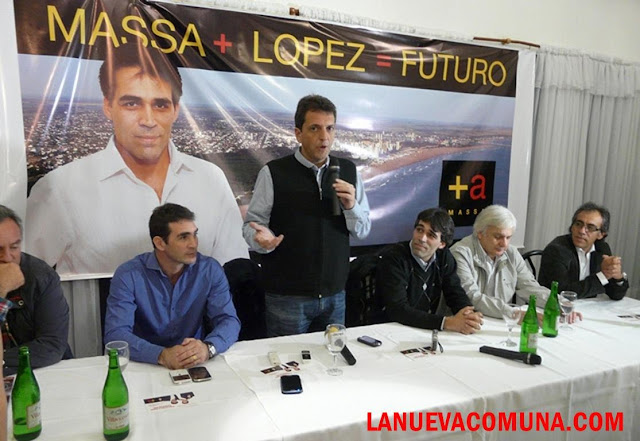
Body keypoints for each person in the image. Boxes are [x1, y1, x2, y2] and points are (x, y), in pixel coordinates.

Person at [26, 44, 247, 276]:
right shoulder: (61, 188)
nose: (148, 120)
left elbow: (235, 271)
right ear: (108, 106)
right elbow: (20, 278)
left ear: (175, 110)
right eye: (132, 103)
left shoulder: (211, 179)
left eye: (160, 105)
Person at [243, 94, 371, 337]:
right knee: (288, 359)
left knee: (333, 357)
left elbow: (363, 230)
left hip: (335, 295)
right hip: (287, 298)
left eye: (330, 128)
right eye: (315, 128)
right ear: (298, 133)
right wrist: (261, 241)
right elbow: (251, 225)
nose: (324, 137)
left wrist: (351, 206)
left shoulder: (348, 171)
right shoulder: (274, 172)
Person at [104, 203, 240, 369]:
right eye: (183, 237)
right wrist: (161, 355)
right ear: (160, 243)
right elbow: (115, 335)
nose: (194, 244)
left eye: (195, 235)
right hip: (145, 364)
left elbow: (229, 320)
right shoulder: (128, 274)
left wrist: (208, 348)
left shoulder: (209, 269)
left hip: (194, 361)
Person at [376, 208, 484, 334]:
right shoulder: (394, 257)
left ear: (442, 244)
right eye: (419, 230)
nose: (422, 238)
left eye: (431, 235)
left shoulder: (444, 257)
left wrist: (467, 314)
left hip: (422, 329)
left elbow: (454, 291)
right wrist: (446, 322)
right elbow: (397, 310)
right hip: (387, 330)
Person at [0, 205, 71, 376]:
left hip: (44, 372)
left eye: (14, 247)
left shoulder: (41, 276)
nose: (8, 258)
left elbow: (52, 345)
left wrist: (2, 360)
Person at [450, 205, 552, 319]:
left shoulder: (511, 253)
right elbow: (472, 297)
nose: (504, 244)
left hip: (499, 320)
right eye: (498, 237)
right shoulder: (460, 253)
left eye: (508, 238)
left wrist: (558, 303)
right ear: (480, 233)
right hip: (466, 321)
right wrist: (512, 313)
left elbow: (529, 287)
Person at [538, 202, 628, 299]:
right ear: (572, 227)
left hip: (586, 306)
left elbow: (615, 295)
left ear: (601, 234)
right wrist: (603, 276)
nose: (581, 231)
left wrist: (617, 277)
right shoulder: (556, 250)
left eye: (590, 227)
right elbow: (562, 293)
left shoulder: (601, 249)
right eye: (578, 224)